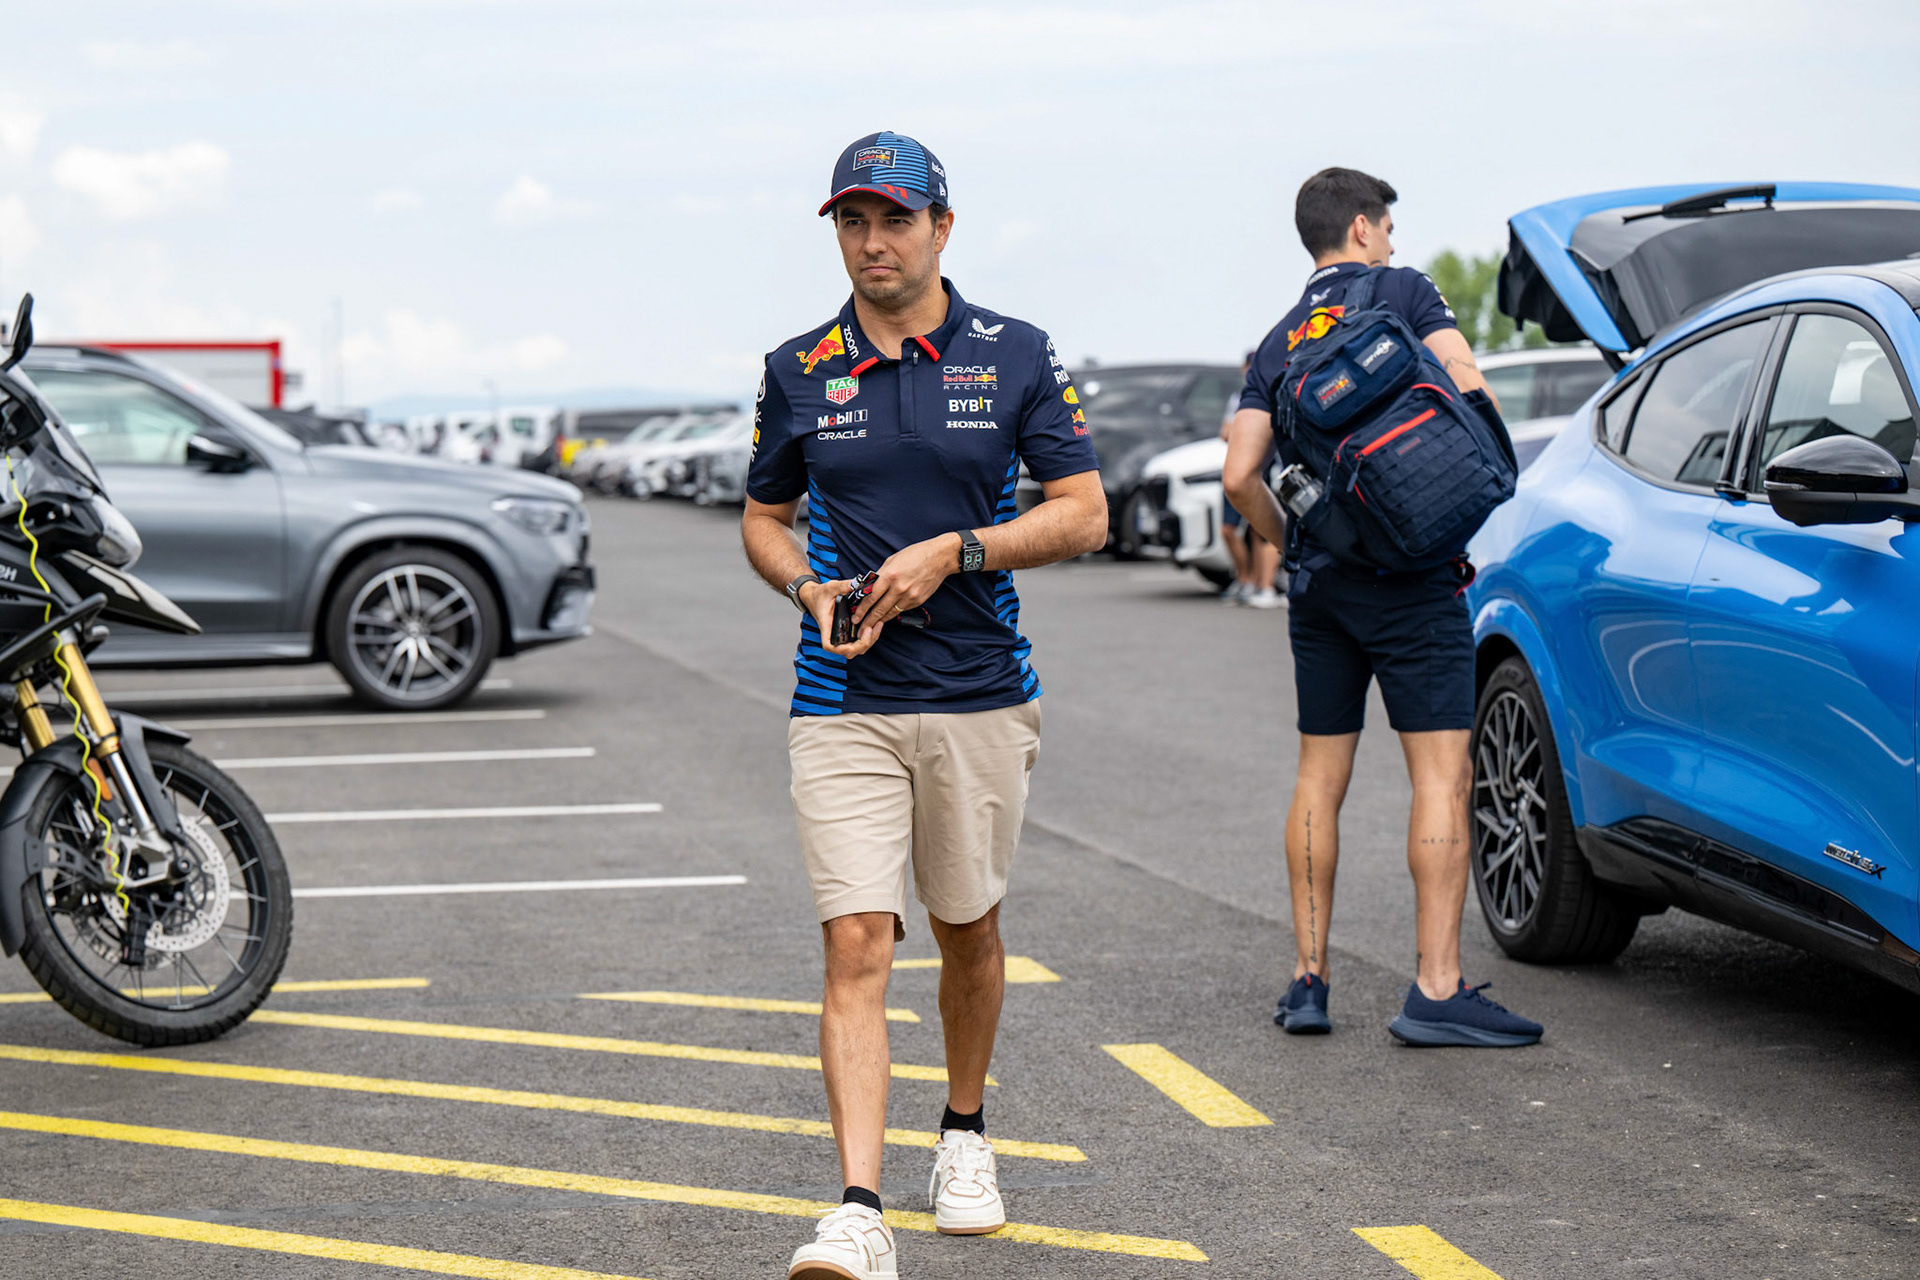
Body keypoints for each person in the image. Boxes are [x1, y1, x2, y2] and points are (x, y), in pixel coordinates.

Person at [740, 131, 1106, 1280]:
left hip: (979, 696)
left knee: (966, 927)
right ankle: (857, 1209)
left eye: (894, 219)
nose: (872, 242)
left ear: (942, 227)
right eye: (853, 221)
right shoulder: (800, 367)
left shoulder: (1015, 353)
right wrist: (806, 587)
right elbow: (763, 517)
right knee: (857, 939)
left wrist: (958, 550)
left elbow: (1085, 511)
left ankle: (963, 1132)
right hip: (839, 696)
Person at [1222, 167, 1543, 1048]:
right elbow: (1469, 389)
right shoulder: (1402, 292)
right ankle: (1436, 989)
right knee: (1441, 777)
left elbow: (1239, 475)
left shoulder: (1277, 343)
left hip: (1323, 589)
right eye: (1388, 227)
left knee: (1319, 777)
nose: (1393, 242)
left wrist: (1296, 543)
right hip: (1415, 582)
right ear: (1362, 227)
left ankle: (1309, 980)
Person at [1217, 351, 1282, 607]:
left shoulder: (1274, 394)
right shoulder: (1239, 397)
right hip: (1239, 467)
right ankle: (1247, 581)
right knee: (1230, 529)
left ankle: (1266, 587)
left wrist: (1244, 434)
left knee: (1263, 530)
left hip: (1268, 470)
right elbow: (1225, 433)